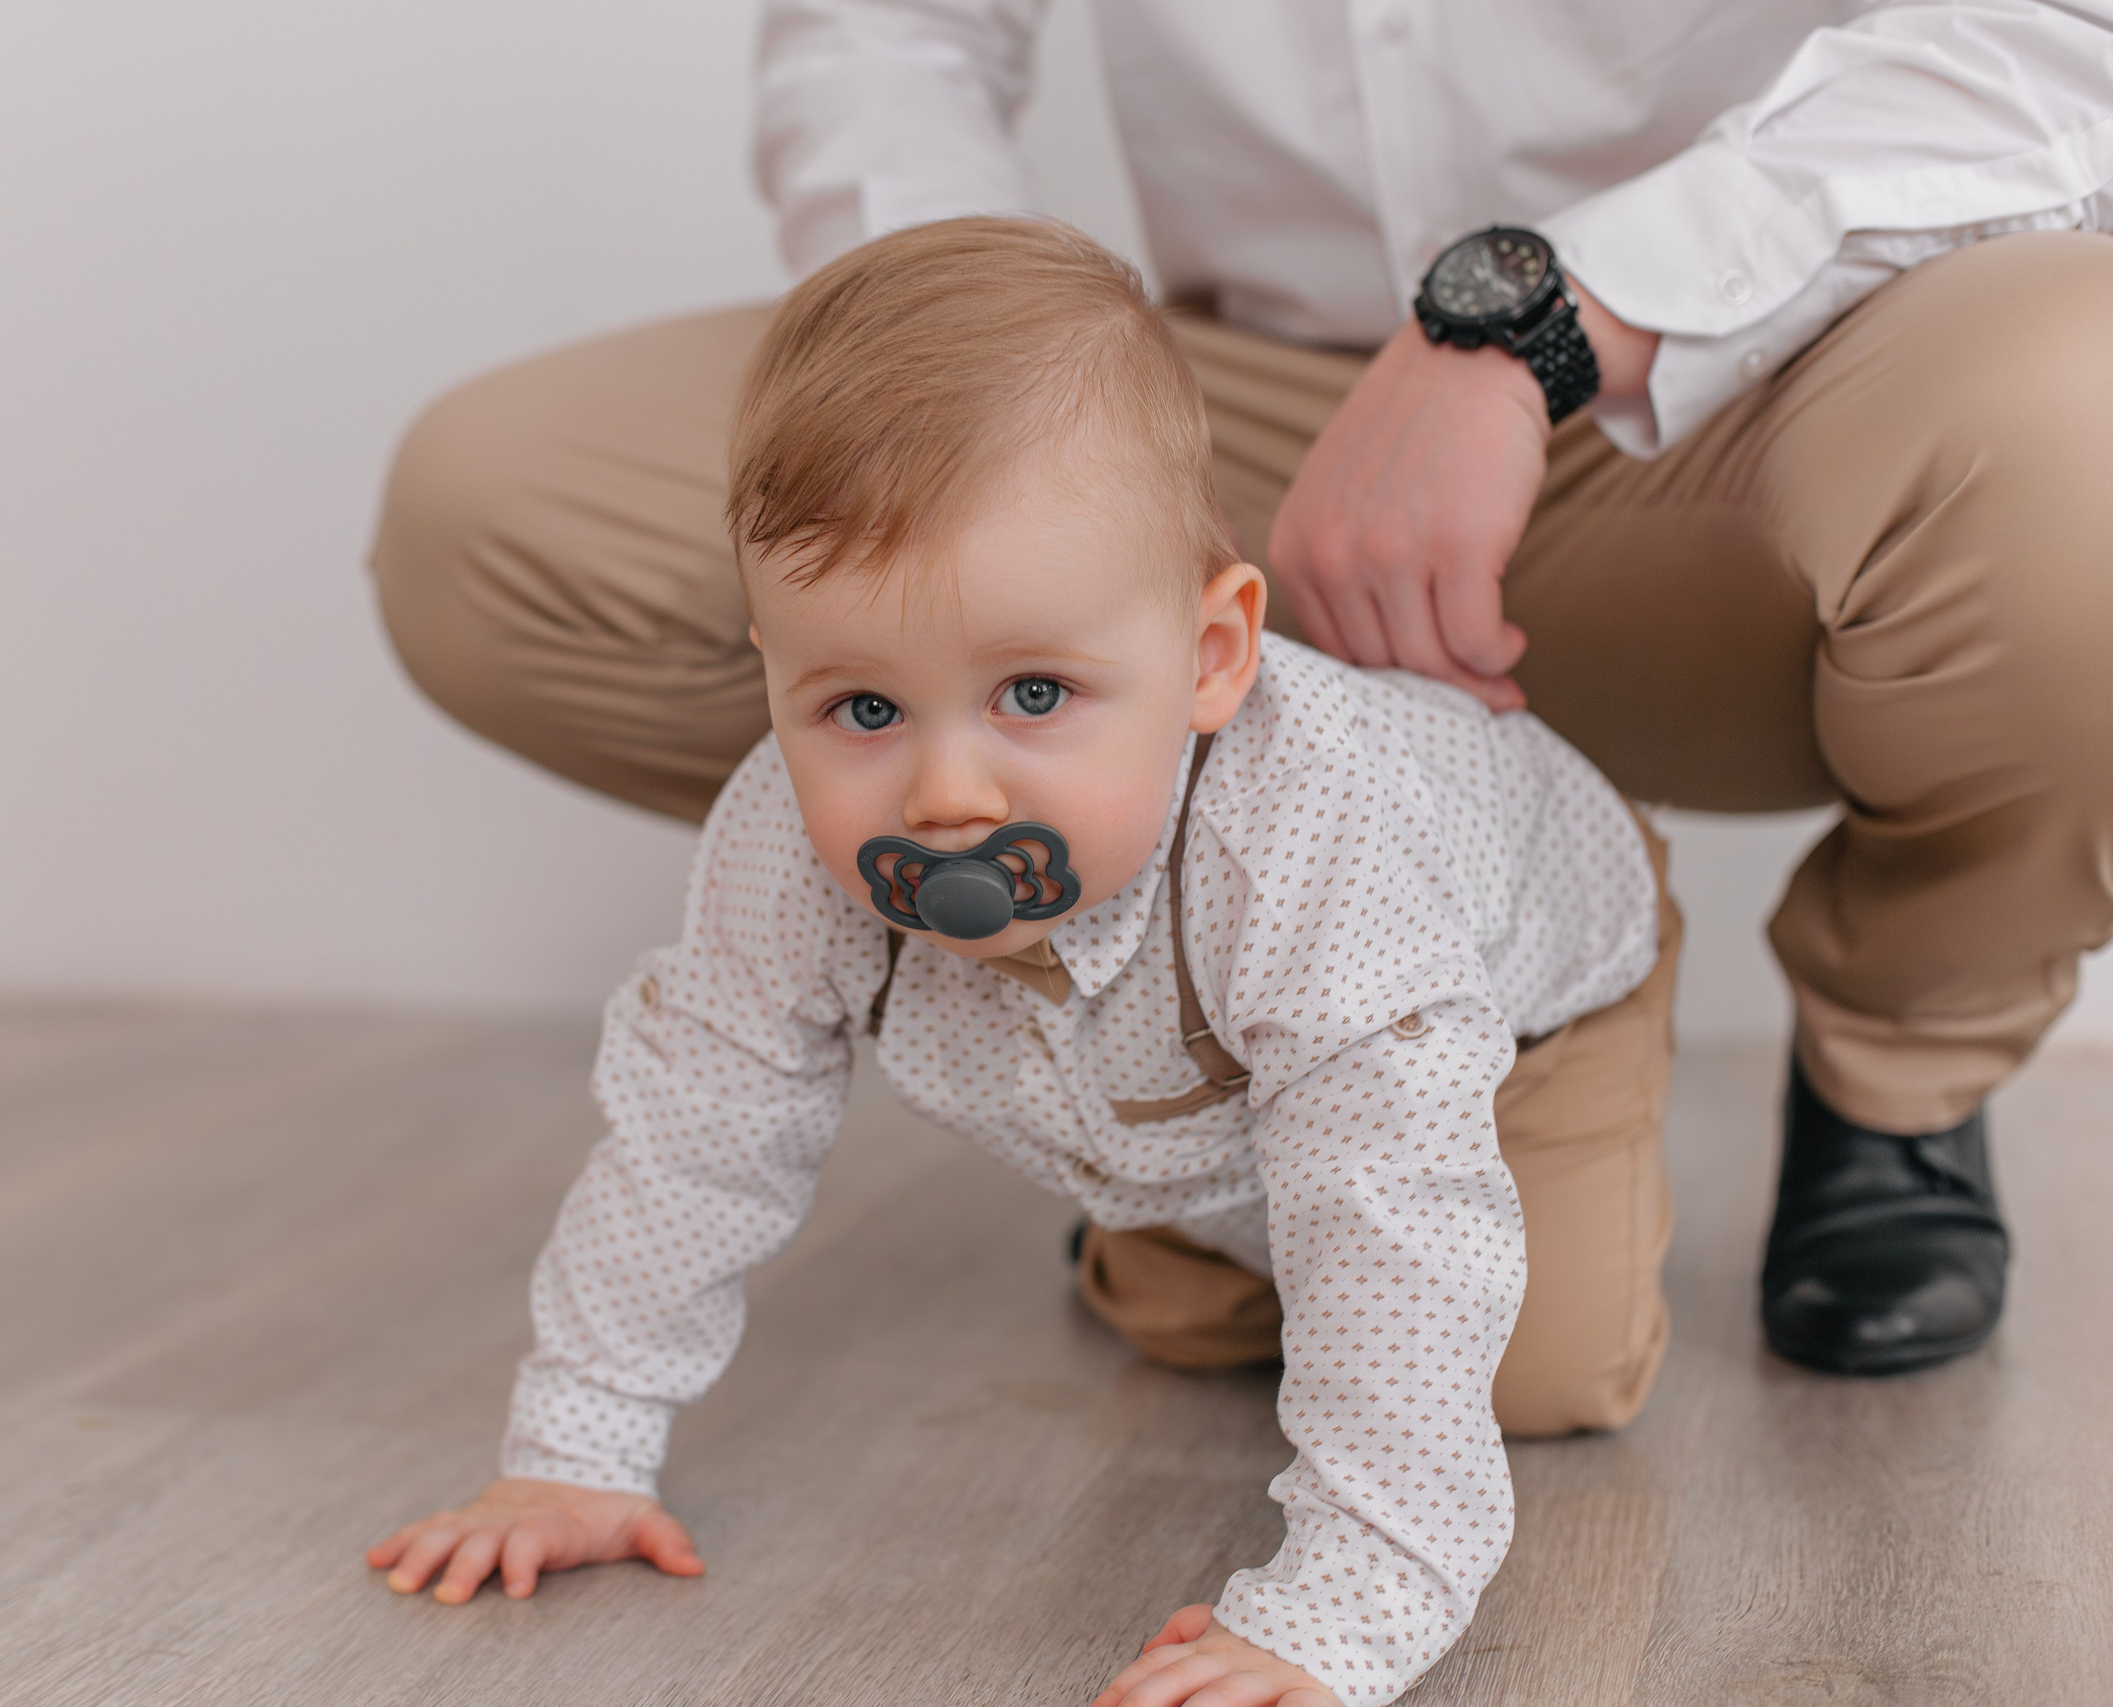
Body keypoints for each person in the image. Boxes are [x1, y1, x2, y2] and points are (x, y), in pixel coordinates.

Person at [373, 0, 2113, 1377]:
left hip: (1746, 396)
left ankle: (1901, 1076)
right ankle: (1168, 1056)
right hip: (1240, 402)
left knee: (2086, 437)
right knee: (488, 519)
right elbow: (886, 27)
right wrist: (1027, 451)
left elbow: (2055, 32)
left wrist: (1540, 321)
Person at [368, 218, 1683, 1707]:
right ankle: (1180, 1203)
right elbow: (696, 1135)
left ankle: (1297, 1199)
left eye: (1034, 692)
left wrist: (1345, 1611)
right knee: (1198, 1327)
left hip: (1526, 998)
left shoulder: (1315, 850)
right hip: (1201, 1070)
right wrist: (576, 1450)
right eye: (860, 707)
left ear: (1211, 654)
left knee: (1532, 1367)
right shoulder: (780, 843)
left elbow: (1397, 1217)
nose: (945, 797)